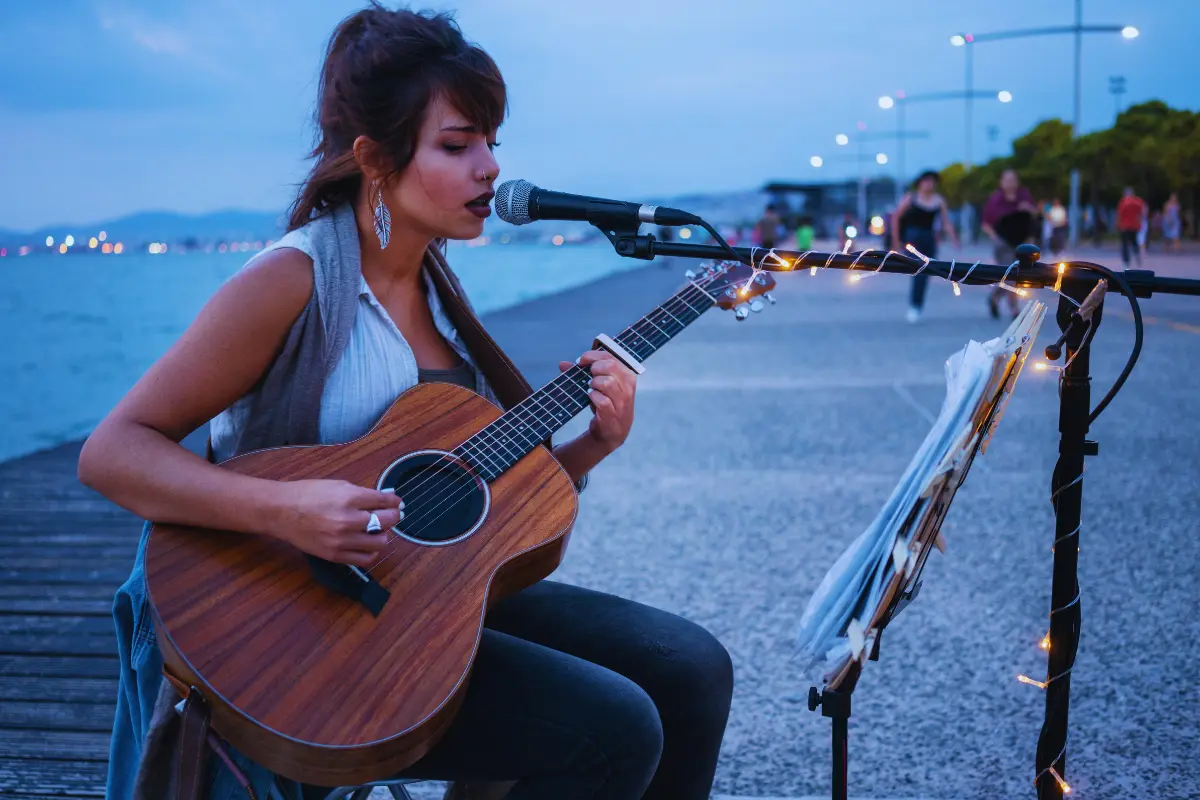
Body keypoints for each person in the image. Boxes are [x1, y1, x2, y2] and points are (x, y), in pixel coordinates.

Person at [81, 7, 733, 800]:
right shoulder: (291, 283)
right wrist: (282, 510)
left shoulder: (436, 289)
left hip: (416, 596)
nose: (489, 168)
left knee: (694, 670)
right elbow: (112, 451)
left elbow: (472, 494)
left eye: (492, 141)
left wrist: (594, 442)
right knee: (616, 728)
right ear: (374, 160)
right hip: (300, 626)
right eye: (458, 146)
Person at [892, 170, 960, 323]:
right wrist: (895, 242)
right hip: (912, 239)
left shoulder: (938, 201)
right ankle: (914, 306)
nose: (929, 184)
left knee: (925, 273)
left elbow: (946, 222)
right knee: (918, 271)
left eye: (932, 181)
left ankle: (916, 305)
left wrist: (954, 238)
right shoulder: (911, 198)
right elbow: (896, 217)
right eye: (926, 181)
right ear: (920, 182)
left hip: (929, 239)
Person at [981, 169, 1036, 319]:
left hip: (1022, 242)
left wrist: (1029, 209)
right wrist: (996, 237)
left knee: (1011, 276)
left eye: (1013, 179)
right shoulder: (996, 200)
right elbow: (986, 223)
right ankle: (1014, 309)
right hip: (1004, 243)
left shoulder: (1023, 196)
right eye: (1007, 180)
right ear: (1001, 182)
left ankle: (994, 298)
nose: (1010, 183)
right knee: (1011, 274)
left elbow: (1034, 214)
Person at [1116, 186, 1147, 267]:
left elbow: (1120, 215)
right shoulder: (1138, 201)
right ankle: (1137, 256)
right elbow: (1143, 213)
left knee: (1125, 244)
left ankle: (1126, 262)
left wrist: (1118, 224)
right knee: (1134, 242)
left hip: (1125, 226)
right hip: (1135, 226)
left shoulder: (1123, 202)